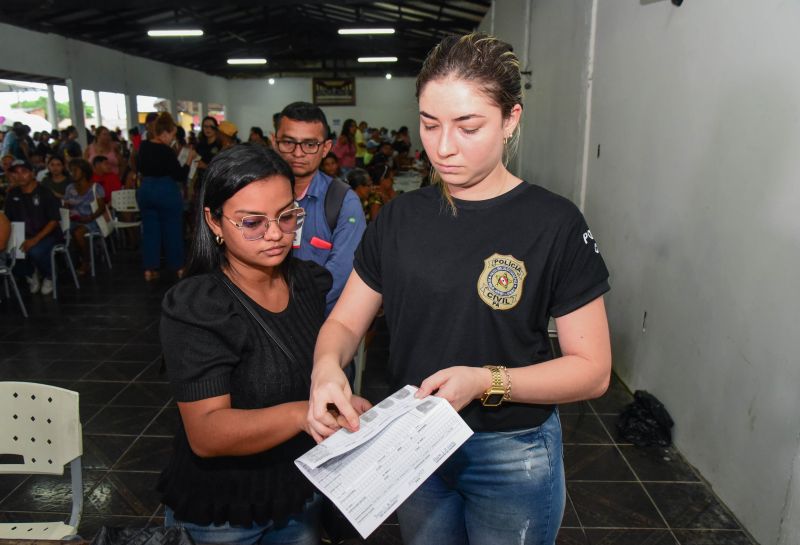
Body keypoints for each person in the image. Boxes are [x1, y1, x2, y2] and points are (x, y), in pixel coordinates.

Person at [307, 32, 612, 545]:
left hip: (510, 449)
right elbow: (343, 323)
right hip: (414, 438)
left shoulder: (553, 222)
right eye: (429, 124)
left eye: (468, 127)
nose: (443, 147)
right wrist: (325, 369)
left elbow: (593, 370)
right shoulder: (400, 218)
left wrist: (486, 381)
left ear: (511, 119)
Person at [157, 144, 370, 545]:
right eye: (252, 223)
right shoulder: (200, 306)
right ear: (214, 221)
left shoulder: (307, 281)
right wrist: (301, 414)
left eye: (287, 216)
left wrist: (336, 400)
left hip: (296, 491)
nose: (276, 234)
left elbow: (310, 368)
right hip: (223, 511)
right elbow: (206, 433)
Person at [272, 102, 366, 315]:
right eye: (288, 142)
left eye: (310, 144)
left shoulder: (343, 202)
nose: (298, 153)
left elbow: (340, 274)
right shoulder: (255, 195)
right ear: (274, 142)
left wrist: (291, 313)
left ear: (325, 148)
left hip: (321, 321)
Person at [137, 112, 193, 281]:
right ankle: (178, 267)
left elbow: (139, 166)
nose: (173, 138)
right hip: (165, 190)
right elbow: (180, 175)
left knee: (150, 231)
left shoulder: (144, 146)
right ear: (165, 133)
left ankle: (149, 269)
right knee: (173, 230)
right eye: (172, 135)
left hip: (145, 190)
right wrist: (189, 160)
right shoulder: (166, 151)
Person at [3, 159, 61, 295]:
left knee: (35, 250)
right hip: (21, 233)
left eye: (24, 172)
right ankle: (30, 273)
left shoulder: (45, 193)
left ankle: (49, 275)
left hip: (47, 234)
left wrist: (35, 239)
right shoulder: (13, 194)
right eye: (16, 173)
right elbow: (8, 219)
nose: (20, 176)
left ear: (32, 173)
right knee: (10, 251)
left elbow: (54, 221)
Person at [64, 159, 107, 276]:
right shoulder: (70, 188)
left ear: (84, 172)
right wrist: (68, 210)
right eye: (71, 171)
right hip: (74, 219)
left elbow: (101, 208)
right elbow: (66, 205)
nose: (72, 173)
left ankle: (86, 261)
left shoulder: (95, 187)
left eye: (75, 170)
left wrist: (89, 217)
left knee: (78, 233)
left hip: (91, 220)